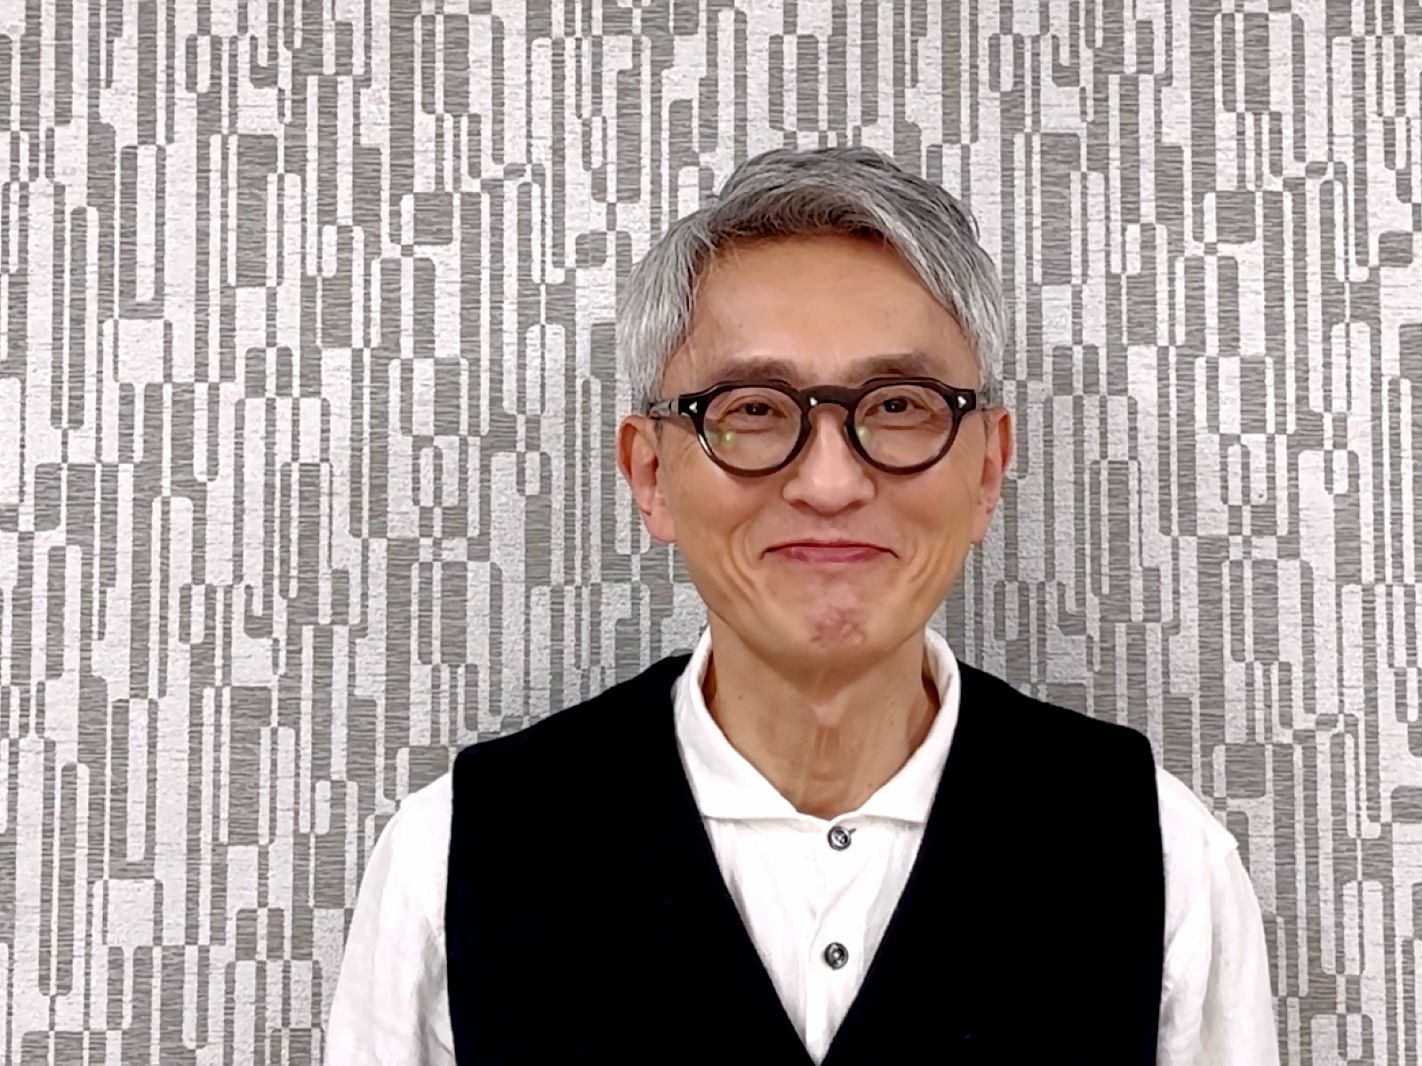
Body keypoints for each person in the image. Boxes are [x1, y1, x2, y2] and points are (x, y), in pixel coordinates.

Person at [324, 145, 1280, 1064]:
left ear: (989, 467)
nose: (829, 483)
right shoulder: (454, 859)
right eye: (752, 408)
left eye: (899, 405)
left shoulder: (1159, 854)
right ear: (651, 475)